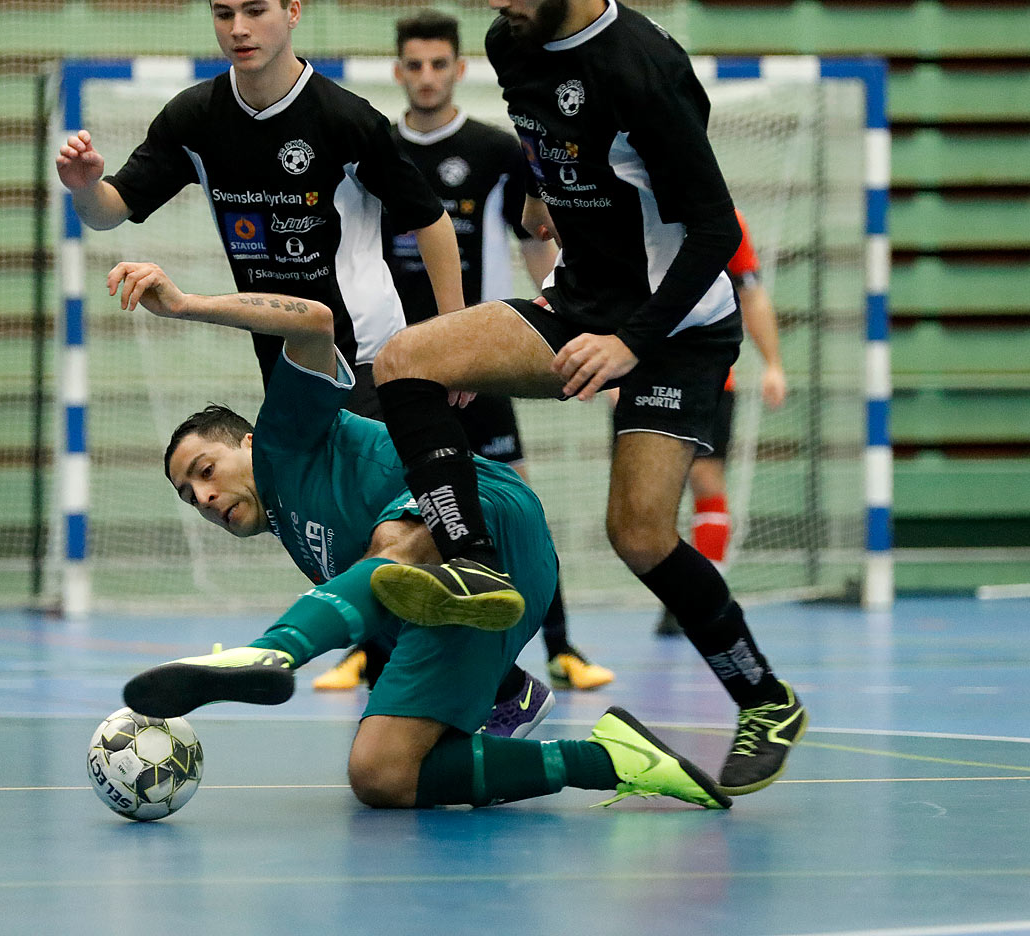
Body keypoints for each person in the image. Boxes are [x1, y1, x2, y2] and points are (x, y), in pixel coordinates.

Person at [365, 0, 808, 795]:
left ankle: (763, 696)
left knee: (639, 534)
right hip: (574, 302)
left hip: (676, 327)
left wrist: (633, 345)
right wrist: (538, 199)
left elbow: (718, 235)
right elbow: (547, 139)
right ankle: (474, 565)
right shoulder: (510, 41)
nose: (495, 1)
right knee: (407, 360)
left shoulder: (646, 71)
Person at [106, 258, 730, 812]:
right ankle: (612, 760)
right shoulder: (301, 539)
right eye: (190, 496)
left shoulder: (280, 439)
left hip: (483, 514)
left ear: (246, 443)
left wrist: (186, 305)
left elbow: (315, 320)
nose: (205, 498)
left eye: (205, 472)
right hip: (476, 594)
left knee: (392, 548)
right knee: (381, 775)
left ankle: (274, 652)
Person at [312, 10, 613, 696]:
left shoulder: (495, 152)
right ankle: (369, 654)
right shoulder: (374, 149)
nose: (425, 77)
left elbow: (537, 237)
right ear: (398, 72)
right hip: (390, 366)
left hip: (477, 360)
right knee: (385, 511)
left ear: (458, 69)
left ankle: (560, 649)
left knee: (518, 504)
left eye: (437, 64)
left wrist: (572, 317)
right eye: (413, 65)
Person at [53, 0, 463, 414]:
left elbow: (430, 220)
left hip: (367, 352)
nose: (238, 28)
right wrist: (84, 187)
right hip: (282, 355)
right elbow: (108, 212)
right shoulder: (194, 119)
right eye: (223, 14)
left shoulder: (346, 120)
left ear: (291, 12)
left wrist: (454, 341)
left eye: (254, 10)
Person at [651, 207, 789, 636]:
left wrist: (773, 363)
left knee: (707, 479)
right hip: (641, 369)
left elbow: (751, 292)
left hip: (708, 374)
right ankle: (675, 589)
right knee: (650, 493)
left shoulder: (726, 219)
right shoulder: (629, 207)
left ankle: (704, 594)